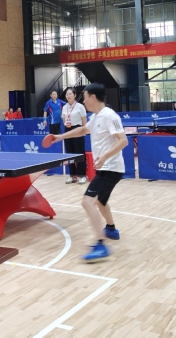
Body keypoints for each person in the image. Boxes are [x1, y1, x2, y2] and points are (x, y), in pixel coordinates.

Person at [49, 83, 127, 262]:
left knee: (87, 201)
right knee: (100, 201)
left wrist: (105, 156)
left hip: (110, 168)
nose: (83, 101)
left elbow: (123, 141)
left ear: (93, 97)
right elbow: (83, 130)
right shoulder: (97, 116)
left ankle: (100, 245)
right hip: (107, 168)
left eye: (84, 97)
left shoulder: (109, 115)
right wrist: (60, 136)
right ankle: (111, 229)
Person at [61, 87, 88, 184]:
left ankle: (82, 175)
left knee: (79, 153)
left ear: (75, 95)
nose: (68, 96)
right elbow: (64, 119)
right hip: (68, 129)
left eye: (70, 94)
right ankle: (72, 175)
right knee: (69, 153)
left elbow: (84, 121)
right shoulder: (64, 107)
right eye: (67, 94)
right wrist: (67, 126)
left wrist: (83, 131)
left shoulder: (80, 106)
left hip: (78, 129)